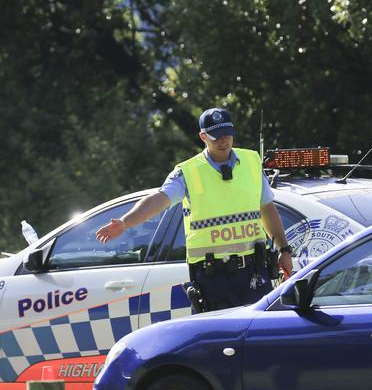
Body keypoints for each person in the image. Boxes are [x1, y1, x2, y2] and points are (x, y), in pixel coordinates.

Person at [96, 107, 293, 311]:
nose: (223, 141)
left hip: (254, 273)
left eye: (227, 135)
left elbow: (267, 208)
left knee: (260, 338)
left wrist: (283, 249)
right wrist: (126, 222)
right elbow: (159, 199)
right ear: (203, 137)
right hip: (213, 280)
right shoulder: (188, 172)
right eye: (216, 137)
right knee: (218, 341)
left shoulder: (251, 162)